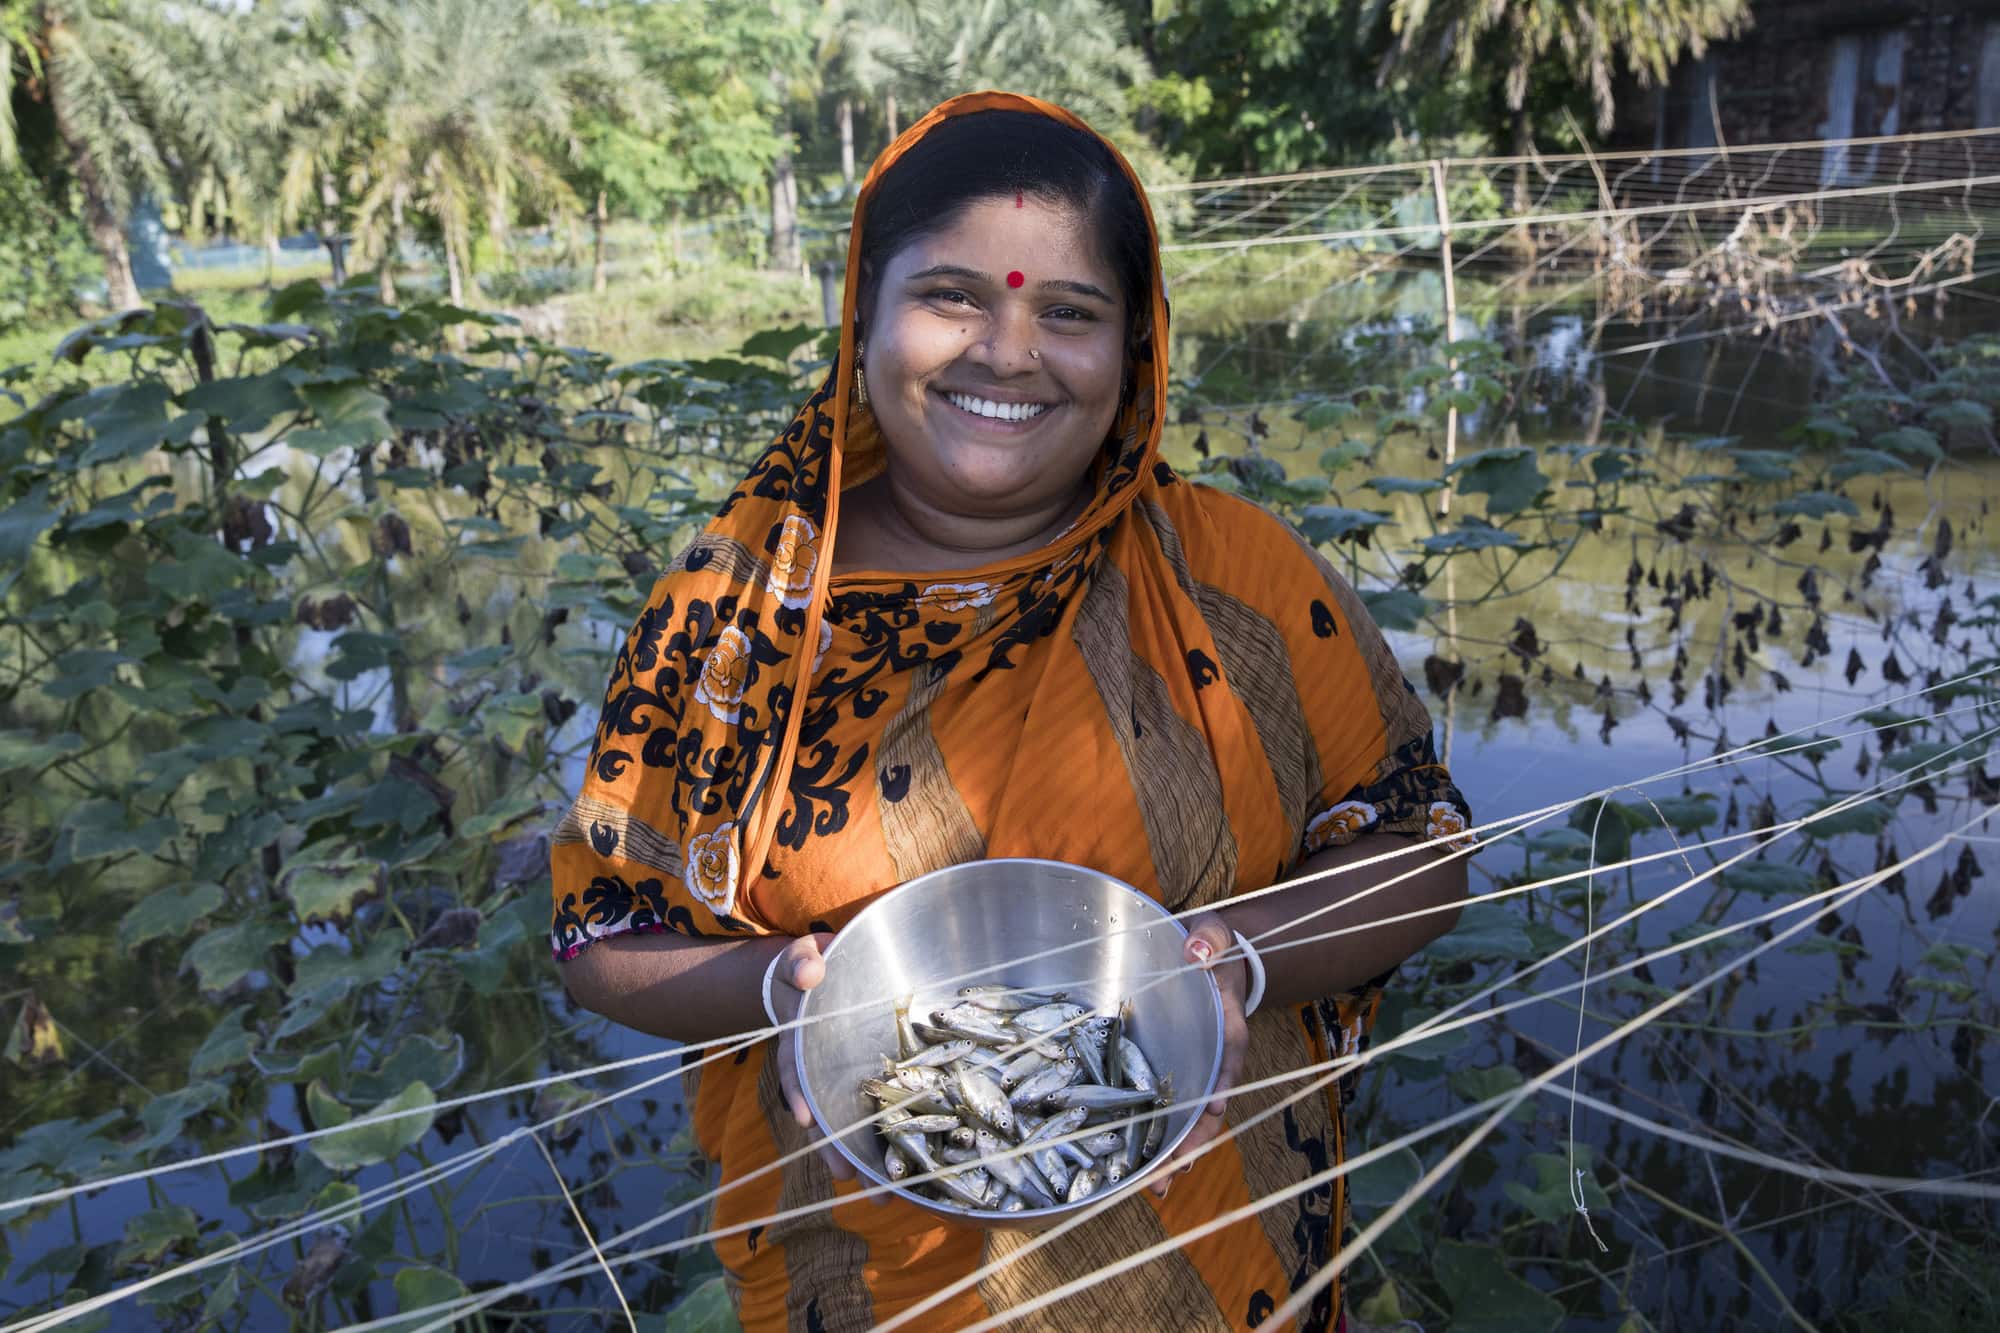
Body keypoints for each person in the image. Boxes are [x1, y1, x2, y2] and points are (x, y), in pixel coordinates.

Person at [551, 91, 1471, 1332]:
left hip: (1221, 1268)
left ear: (1134, 348)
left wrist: (1235, 963)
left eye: (1069, 312)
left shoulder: (1233, 577)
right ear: (863, 317)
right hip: (866, 1280)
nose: (1008, 351)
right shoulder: (733, 617)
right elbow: (602, 934)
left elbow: (1417, 845)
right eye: (951, 298)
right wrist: (785, 992)